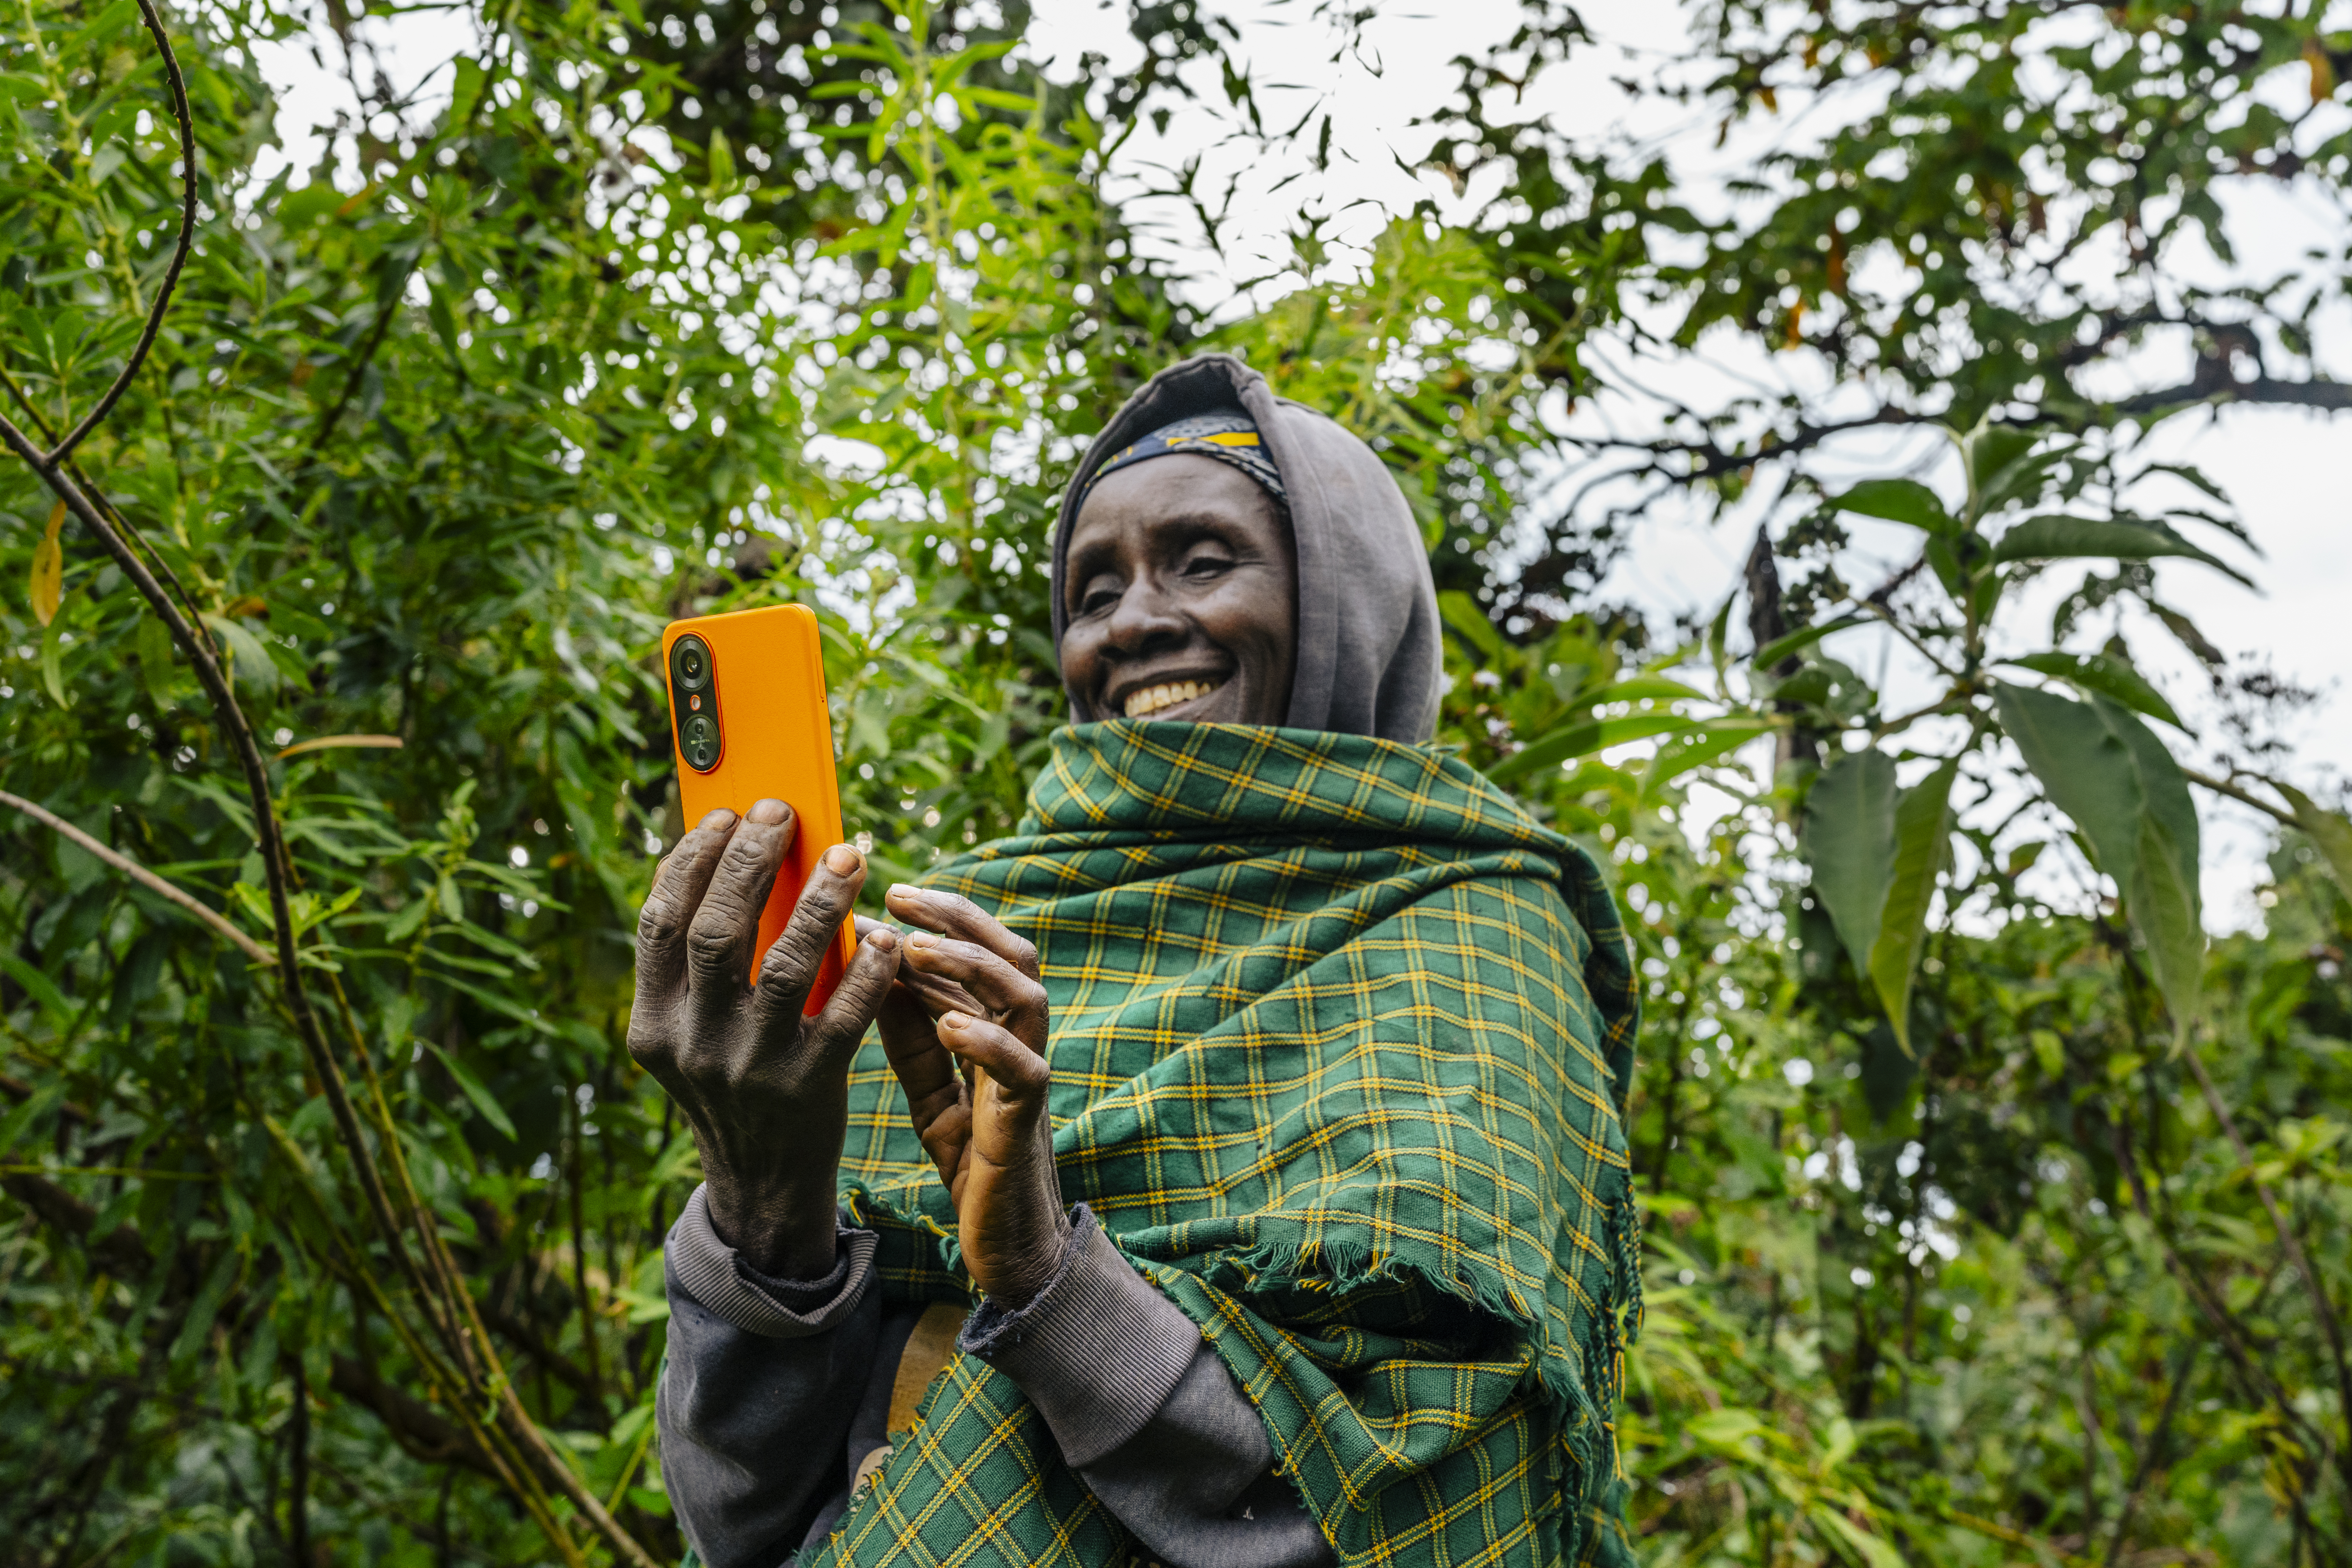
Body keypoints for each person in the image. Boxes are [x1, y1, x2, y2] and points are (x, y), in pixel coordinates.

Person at [629, 353, 1643, 1568]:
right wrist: (763, 1199)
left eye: (1204, 562)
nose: (1133, 622)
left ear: (1347, 600)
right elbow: (741, 1525)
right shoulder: (969, 938)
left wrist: (1047, 1277)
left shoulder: (1472, 933)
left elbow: (1431, 1509)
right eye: (1093, 590)